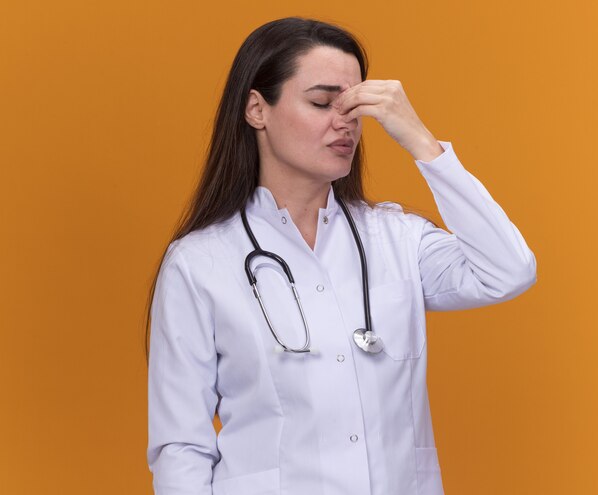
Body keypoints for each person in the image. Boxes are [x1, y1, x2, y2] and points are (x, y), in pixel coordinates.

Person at [144, 16, 537, 495]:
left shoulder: (396, 238)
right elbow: (181, 447)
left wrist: (420, 140)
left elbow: (508, 271)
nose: (344, 122)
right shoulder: (198, 263)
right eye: (322, 102)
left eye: (355, 107)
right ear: (256, 110)